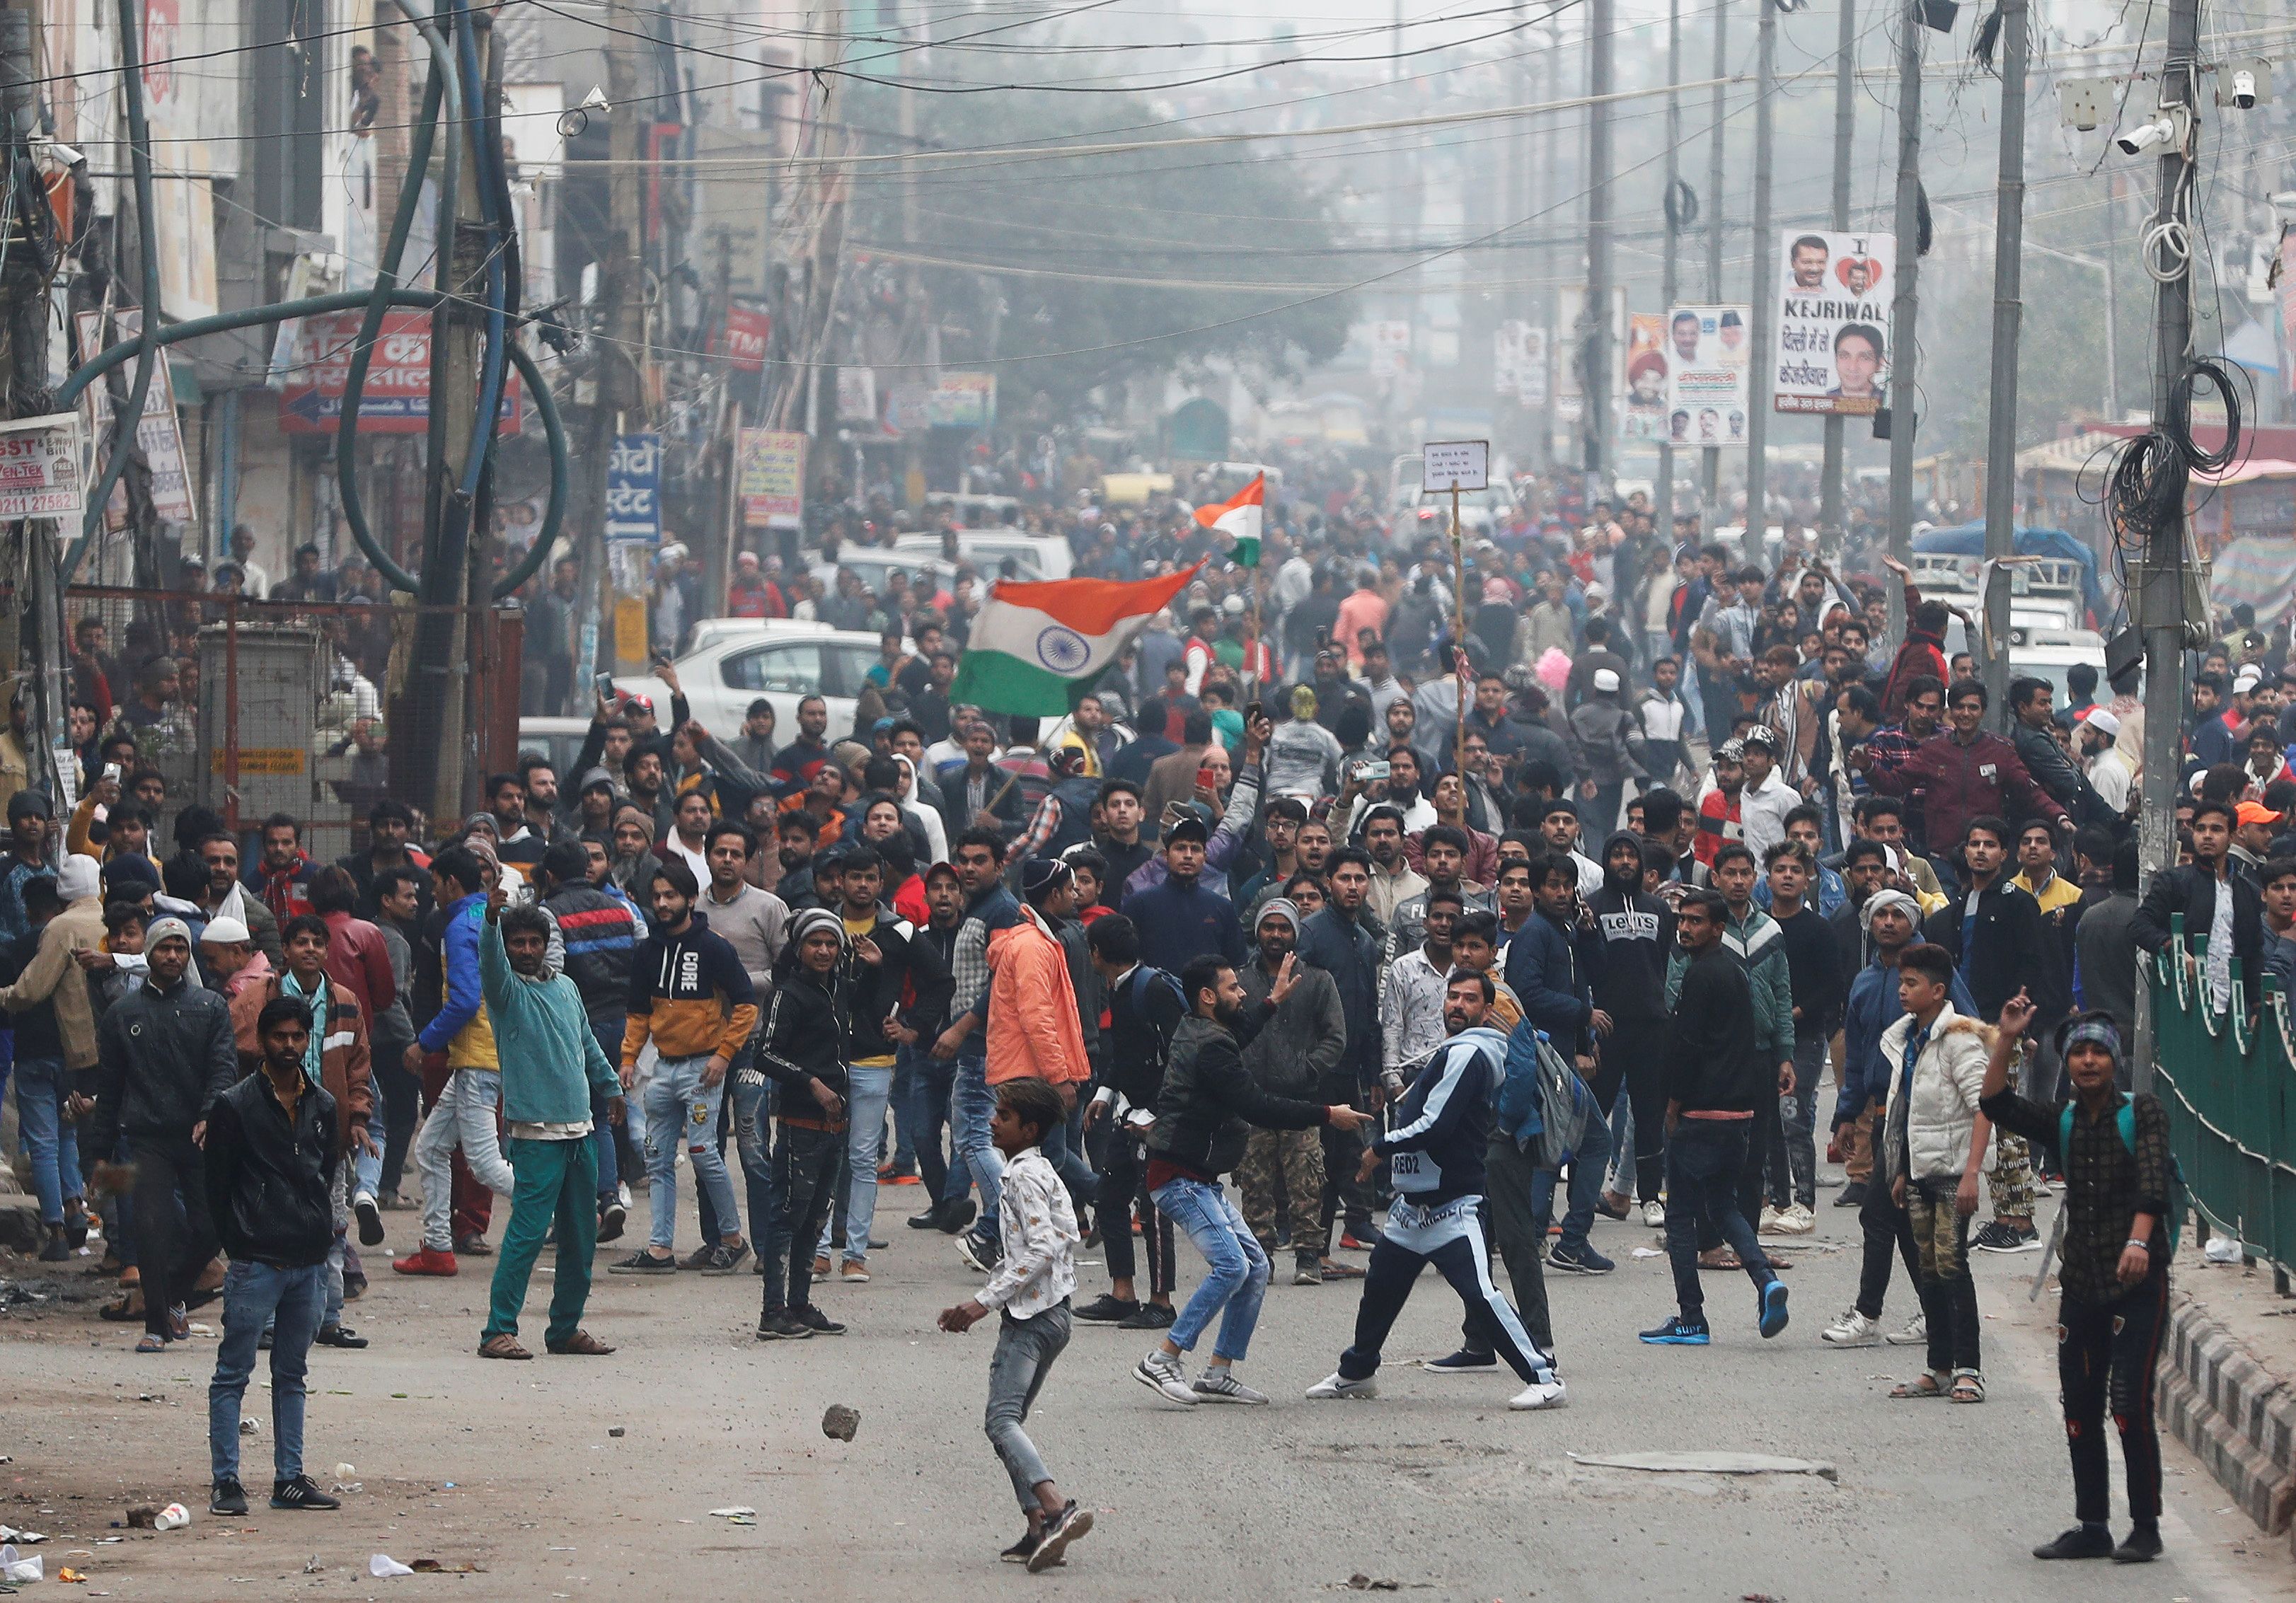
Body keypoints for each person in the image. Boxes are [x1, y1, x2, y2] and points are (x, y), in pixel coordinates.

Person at [1307, 968, 1569, 1411]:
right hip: (1414, 1208)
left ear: (1487, 1011)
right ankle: (1357, 1372)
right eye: (1453, 997)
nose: (1458, 1006)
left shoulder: (1469, 1053)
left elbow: (1436, 1124)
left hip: (1452, 1207)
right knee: (1380, 1291)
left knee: (1481, 1294)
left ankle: (1544, 1379)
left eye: (1470, 1000)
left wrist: (1381, 1148)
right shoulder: (1455, 1051)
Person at [1980, 995, 2172, 1564]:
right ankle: (2092, 1525)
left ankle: (2146, 1526)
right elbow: (1993, 1103)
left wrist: (2138, 1241)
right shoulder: (2059, 1119)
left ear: (2114, 1061)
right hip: (2082, 1283)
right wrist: (2007, 1039)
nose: (2088, 1062)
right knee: (2079, 1406)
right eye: (2078, 1053)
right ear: (2066, 1062)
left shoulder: (2144, 1113)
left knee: (2128, 1403)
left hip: (2137, 1284)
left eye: (2097, 1053)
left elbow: (2154, 1184)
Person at [1133, 954, 1373, 1407]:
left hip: (1198, 1177)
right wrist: (1326, 1114)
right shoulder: (1210, 1046)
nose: (1242, 994)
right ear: (1208, 997)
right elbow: (1257, 1104)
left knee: (1255, 1266)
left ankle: (1218, 1371)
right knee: (1233, 1266)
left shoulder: (1203, 1028)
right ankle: (1163, 1357)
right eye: (1232, 988)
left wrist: (1272, 1003)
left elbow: (1238, 1035)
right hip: (1178, 1177)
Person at [935, 1077, 1095, 1573]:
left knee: (1001, 1420)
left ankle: (1054, 1506)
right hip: (1056, 1314)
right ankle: (1036, 1529)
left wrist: (983, 1302)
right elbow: (1067, 1234)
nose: (991, 1121)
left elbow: (1044, 1247)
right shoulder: (1044, 1171)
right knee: (1007, 1425)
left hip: (1032, 1319)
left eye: (1002, 1116)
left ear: (1028, 1129)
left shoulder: (1023, 1177)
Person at [202, 997, 343, 1516]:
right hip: (256, 1260)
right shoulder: (234, 1106)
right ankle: (226, 1482)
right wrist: (239, 1243)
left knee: (292, 1374)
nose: (289, 1046)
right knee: (233, 1373)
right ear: (262, 1041)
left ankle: (289, 1478)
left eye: (297, 1037)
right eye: (279, 1037)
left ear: (309, 1040)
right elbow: (216, 1187)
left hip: (307, 1261)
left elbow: (322, 1176)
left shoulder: (322, 1105)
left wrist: (317, 1233)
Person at [473, 885, 625, 1359]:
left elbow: (587, 1046)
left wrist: (611, 1087)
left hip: (580, 1131)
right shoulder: (506, 993)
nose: (525, 950)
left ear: (545, 944)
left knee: (581, 1239)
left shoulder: (565, 988)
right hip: (534, 1136)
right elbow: (491, 964)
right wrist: (493, 922)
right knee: (526, 1235)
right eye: (517, 942)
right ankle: (498, 1330)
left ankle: (564, 1329)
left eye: (532, 942)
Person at [1641, 889, 1791, 1347]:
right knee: (1723, 1206)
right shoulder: (1731, 973)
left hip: (1700, 1114)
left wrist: (1672, 1105)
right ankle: (1765, 1280)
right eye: (1682, 919)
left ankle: (1690, 1318)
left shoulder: (1702, 976)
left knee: (1680, 1217)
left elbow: (1686, 1048)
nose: (1685, 927)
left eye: (1696, 921)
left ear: (1717, 929)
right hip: (1737, 1113)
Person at [91, 915, 238, 1351]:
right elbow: (111, 1084)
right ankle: (156, 1324)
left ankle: (171, 1293)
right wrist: (99, 1153)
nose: (172, 956)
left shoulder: (209, 1006)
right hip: (146, 1138)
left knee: (213, 1228)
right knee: (151, 1227)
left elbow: (223, 1068)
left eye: (180, 948)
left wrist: (210, 1114)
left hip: (199, 1136)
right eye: (164, 948)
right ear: (148, 955)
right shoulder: (123, 1014)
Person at [611, 859, 758, 1274]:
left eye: (670, 896)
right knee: (656, 1157)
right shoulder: (647, 951)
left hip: (703, 1069)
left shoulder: (714, 947)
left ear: (691, 899)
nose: (662, 903)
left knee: (702, 1152)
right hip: (663, 1068)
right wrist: (628, 1058)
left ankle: (732, 1238)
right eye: (656, 896)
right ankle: (660, 1249)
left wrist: (724, 1055)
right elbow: (638, 1013)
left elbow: (746, 1006)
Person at [1876, 943, 1992, 1402]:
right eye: (1901, 982)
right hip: (1920, 1172)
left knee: (1951, 1266)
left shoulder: (1959, 1041)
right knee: (1928, 1269)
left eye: (1911, 984)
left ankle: (1969, 1369)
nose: (1902, 991)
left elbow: (1984, 1107)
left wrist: (1971, 1174)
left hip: (1951, 1173)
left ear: (1938, 990)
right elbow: (1906, 1113)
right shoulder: (1906, 1039)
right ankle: (1938, 1367)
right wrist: (1901, 1170)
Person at [395, 847, 514, 1275]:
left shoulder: (460, 924)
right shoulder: (488, 918)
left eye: (435, 885)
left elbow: (464, 1000)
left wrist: (423, 1044)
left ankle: (570, 1208)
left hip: (479, 1057)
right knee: (430, 1148)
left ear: (451, 884)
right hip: (482, 1055)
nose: (432, 894)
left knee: (485, 1164)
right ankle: (438, 1249)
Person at [1233, 899, 1349, 1286]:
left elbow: (1335, 1037)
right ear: (1258, 932)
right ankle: (1259, 1254)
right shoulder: (1239, 982)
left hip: (1301, 1100)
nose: (1276, 935)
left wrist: (1307, 1069)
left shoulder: (1318, 980)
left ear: (1295, 934)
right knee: (1254, 1181)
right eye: (1270, 927)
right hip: (1252, 1100)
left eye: (1284, 928)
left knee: (1307, 1179)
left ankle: (1308, 1255)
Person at [1078, 915, 1185, 1326]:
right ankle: (1123, 1293)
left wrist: (1159, 1116)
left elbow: (1180, 1055)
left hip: (1155, 1120)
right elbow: (1125, 1053)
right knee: (1109, 1198)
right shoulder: (1119, 988)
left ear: (1098, 954)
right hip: (1127, 1114)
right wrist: (1104, 1094)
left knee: (1155, 1209)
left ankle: (1161, 1303)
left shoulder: (1152, 989)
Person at [756, 908, 852, 1338]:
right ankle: (773, 1311)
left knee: (815, 1218)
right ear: (799, 949)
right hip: (801, 1124)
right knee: (787, 1215)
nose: (825, 951)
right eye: (816, 943)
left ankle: (800, 1303)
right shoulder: (787, 996)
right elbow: (765, 1054)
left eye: (832, 943)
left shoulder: (838, 992)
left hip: (835, 1127)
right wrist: (812, 1083)